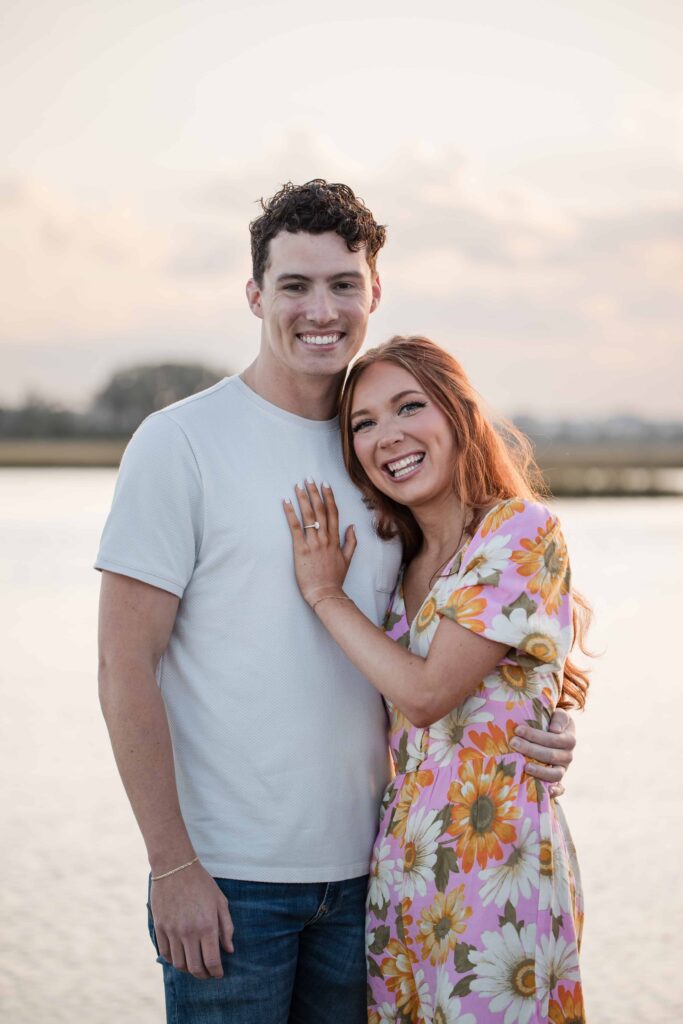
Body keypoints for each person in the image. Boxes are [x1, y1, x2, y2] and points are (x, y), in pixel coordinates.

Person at [96, 181, 577, 1024]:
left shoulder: (382, 454)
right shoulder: (180, 443)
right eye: (294, 285)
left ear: (373, 292)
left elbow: (471, 624)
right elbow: (121, 665)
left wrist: (544, 721)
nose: (320, 309)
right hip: (230, 883)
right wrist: (171, 866)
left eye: (342, 284)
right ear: (255, 295)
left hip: (377, 875)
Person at [283, 334, 589, 1024]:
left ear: (457, 415)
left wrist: (325, 595)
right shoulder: (398, 561)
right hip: (400, 871)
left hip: (494, 864)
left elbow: (424, 696)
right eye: (363, 424)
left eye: (407, 407)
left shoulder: (517, 530)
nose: (386, 436)